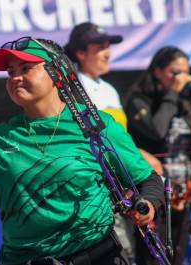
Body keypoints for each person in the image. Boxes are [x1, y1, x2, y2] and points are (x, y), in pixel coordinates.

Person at [0, 37, 165, 265]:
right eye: (10, 72)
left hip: (99, 256)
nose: (16, 78)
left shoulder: (95, 124)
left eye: (26, 68)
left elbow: (147, 179)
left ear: (57, 74)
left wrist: (148, 205)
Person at [64, 22, 164, 262]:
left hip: (127, 188)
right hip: (101, 191)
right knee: (121, 253)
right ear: (80, 53)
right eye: (100, 47)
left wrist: (139, 156)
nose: (108, 52)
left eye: (108, 46)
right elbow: (91, 140)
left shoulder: (108, 89)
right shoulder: (73, 89)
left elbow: (120, 139)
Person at [123, 46, 191, 265]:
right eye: (174, 72)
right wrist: (173, 94)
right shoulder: (139, 100)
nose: (180, 79)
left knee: (175, 258)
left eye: (185, 73)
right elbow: (157, 131)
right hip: (154, 195)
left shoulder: (184, 102)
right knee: (152, 258)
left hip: (183, 194)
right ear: (157, 72)